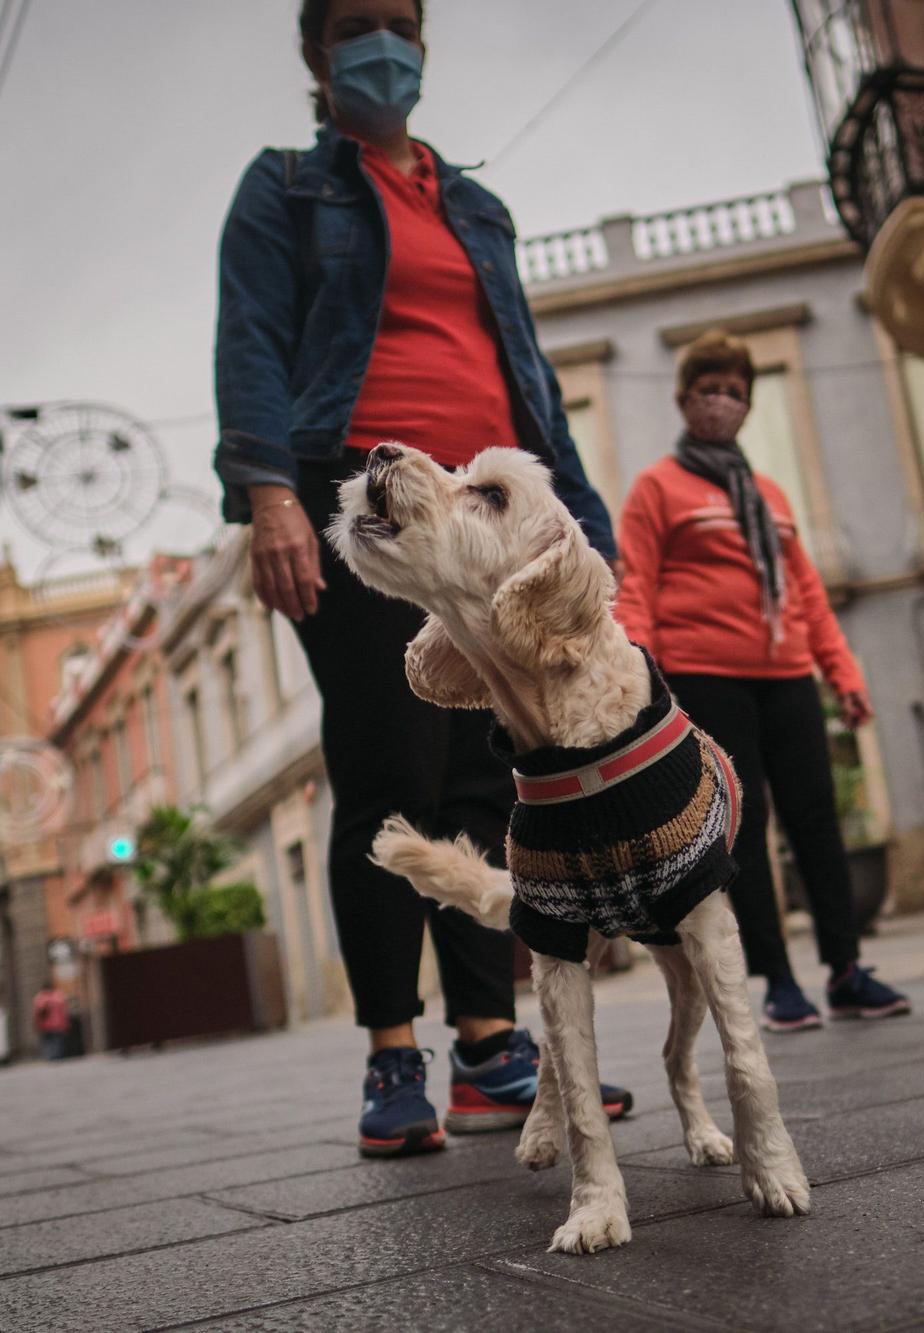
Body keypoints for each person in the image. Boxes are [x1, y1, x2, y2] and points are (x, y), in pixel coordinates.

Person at [213, 0, 630, 1158]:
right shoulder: (287, 188)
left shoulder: (474, 206)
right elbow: (249, 337)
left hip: (483, 524)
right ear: (314, 51)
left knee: (486, 779)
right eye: (356, 23)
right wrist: (270, 494)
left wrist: (582, 526)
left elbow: (527, 374)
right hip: (365, 510)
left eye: (400, 20)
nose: (381, 43)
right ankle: (393, 1055)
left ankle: (492, 1047)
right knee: (389, 765)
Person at [613, 330, 912, 1031]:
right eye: (710, 389)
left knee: (817, 820)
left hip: (787, 675)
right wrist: (641, 680)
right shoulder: (657, 487)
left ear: (749, 403)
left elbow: (805, 588)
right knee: (742, 833)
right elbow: (638, 588)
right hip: (706, 676)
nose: (723, 402)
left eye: (736, 392)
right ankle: (777, 979)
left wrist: (842, 669)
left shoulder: (771, 494)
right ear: (685, 399)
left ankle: (845, 969)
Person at [33, 981, 70, 1062]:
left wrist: (37, 1024)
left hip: (45, 1025)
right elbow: (63, 1012)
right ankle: (56, 1056)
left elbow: (37, 1013)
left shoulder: (39, 998)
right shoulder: (58, 997)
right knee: (57, 1041)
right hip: (57, 1024)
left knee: (48, 1042)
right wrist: (65, 1023)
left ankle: (50, 1056)